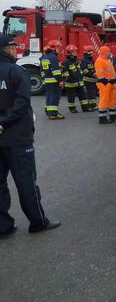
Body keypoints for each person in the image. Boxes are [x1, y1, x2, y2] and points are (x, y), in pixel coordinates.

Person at [0, 35, 61, 236]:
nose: (16, 49)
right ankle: (37, 222)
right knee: (26, 181)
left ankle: (3, 226)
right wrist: (4, 122)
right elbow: (22, 102)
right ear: (7, 49)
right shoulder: (16, 71)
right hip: (17, 137)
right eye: (13, 46)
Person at [62, 44, 91, 113]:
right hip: (71, 83)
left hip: (79, 82)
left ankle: (85, 108)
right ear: (70, 53)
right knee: (71, 97)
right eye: (74, 51)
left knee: (83, 95)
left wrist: (81, 76)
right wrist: (68, 78)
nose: (75, 53)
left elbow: (79, 70)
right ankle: (72, 108)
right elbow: (64, 72)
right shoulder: (66, 62)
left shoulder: (76, 61)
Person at [40, 40, 65, 120]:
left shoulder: (44, 57)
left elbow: (42, 70)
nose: (59, 49)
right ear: (53, 48)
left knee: (49, 96)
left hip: (47, 80)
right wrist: (60, 80)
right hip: (54, 80)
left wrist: (44, 78)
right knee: (54, 96)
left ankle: (48, 110)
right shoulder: (53, 57)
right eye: (58, 47)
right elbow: (56, 71)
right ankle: (53, 114)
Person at [95, 46, 116, 124]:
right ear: (104, 52)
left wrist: (112, 80)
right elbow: (100, 74)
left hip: (111, 83)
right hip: (105, 83)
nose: (110, 53)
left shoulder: (107, 60)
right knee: (104, 100)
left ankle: (112, 116)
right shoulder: (99, 61)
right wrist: (107, 81)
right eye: (108, 51)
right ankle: (102, 118)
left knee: (112, 101)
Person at [80, 45, 98, 111]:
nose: (93, 54)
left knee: (92, 93)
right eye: (92, 52)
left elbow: (93, 68)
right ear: (89, 53)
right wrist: (92, 75)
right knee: (89, 93)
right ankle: (91, 105)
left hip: (92, 80)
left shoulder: (90, 60)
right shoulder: (84, 60)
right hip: (88, 80)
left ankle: (92, 105)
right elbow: (84, 70)